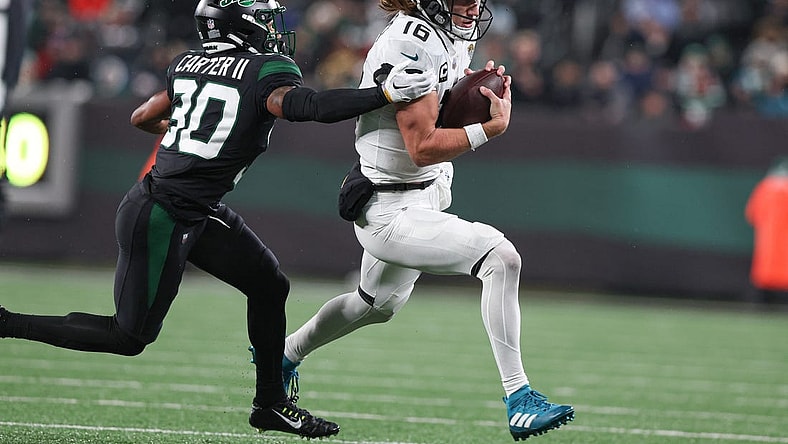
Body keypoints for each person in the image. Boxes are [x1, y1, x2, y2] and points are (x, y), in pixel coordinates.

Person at [0, 0, 435, 439]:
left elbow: (141, 116)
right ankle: (6, 322)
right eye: (263, 21)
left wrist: (190, 130)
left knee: (269, 284)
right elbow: (311, 107)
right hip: (161, 214)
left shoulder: (187, 63)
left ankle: (269, 404)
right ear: (241, 25)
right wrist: (382, 94)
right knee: (128, 337)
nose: (271, 30)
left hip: (190, 207)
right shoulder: (264, 71)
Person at [273, 0, 575, 441]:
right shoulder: (409, 45)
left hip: (419, 194)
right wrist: (488, 128)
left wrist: (472, 91)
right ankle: (519, 398)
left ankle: (284, 355)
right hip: (391, 210)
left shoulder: (451, 33)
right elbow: (421, 146)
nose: (471, 8)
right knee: (500, 257)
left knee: (373, 306)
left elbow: (441, 107)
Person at [745, 157, 788, 304]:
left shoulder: (764, 188)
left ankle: (758, 305)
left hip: (768, 241)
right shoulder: (765, 189)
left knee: (766, 274)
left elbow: (751, 215)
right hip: (779, 243)